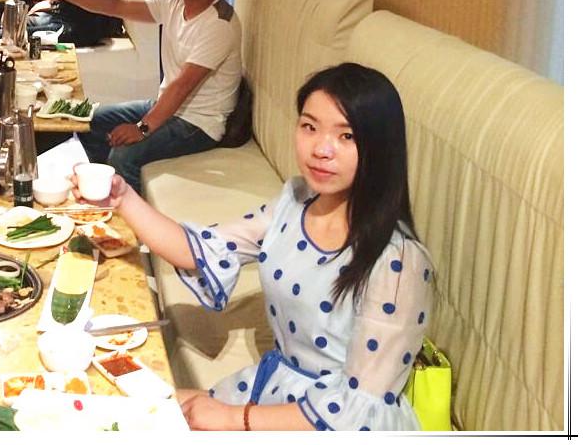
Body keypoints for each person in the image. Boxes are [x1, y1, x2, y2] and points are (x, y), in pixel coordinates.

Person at [72, 63, 433, 431]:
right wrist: (123, 198)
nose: (321, 149)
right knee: (124, 408)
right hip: (279, 388)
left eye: (347, 136)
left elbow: (360, 410)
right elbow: (202, 250)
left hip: (333, 421)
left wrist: (233, 417)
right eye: (309, 127)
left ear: (380, 146)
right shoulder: (295, 202)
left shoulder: (398, 261)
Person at [49, 0, 241, 192]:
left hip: (199, 124)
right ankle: (97, 193)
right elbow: (116, 5)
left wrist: (142, 128)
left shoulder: (219, 23)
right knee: (90, 122)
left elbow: (182, 85)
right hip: (170, 107)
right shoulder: (173, 3)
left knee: (124, 155)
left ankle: (128, 214)